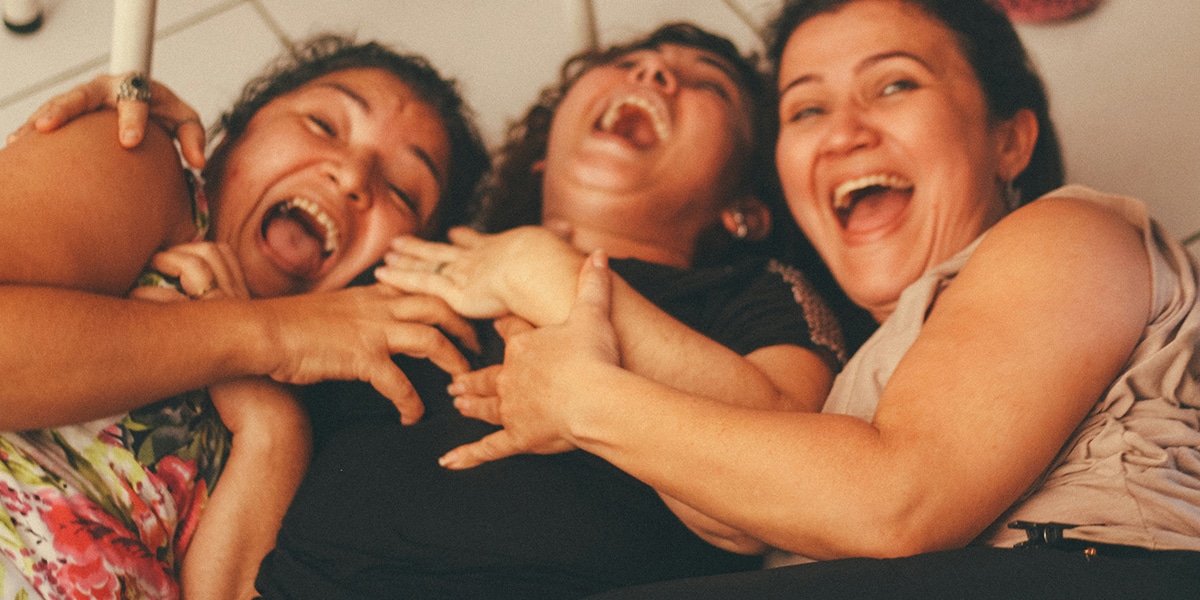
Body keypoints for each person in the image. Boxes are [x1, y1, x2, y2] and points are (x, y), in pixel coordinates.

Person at [402, 1, 1200, 599]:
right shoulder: (850, 384)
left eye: (894, 85)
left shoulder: (1069, 233)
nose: (843, 131)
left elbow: (900, 503)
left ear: (1009, 139)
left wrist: (582, 399)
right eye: (807, 108)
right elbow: (736, 519)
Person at [252, 23, 851, 600]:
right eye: (624, 63)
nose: (653, 71)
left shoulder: (758, 291)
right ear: (542, 157)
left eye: (708, 83)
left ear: (745, 207)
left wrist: (546, 273)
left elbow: (785, 477)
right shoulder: (414, 267)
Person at [0, 34, 489, 599]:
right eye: (323, 125)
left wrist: (272, 428)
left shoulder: (306, 429)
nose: (354, 176)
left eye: (403, 191)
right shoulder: (144, 167)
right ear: (231, 135)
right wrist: (263, 335)